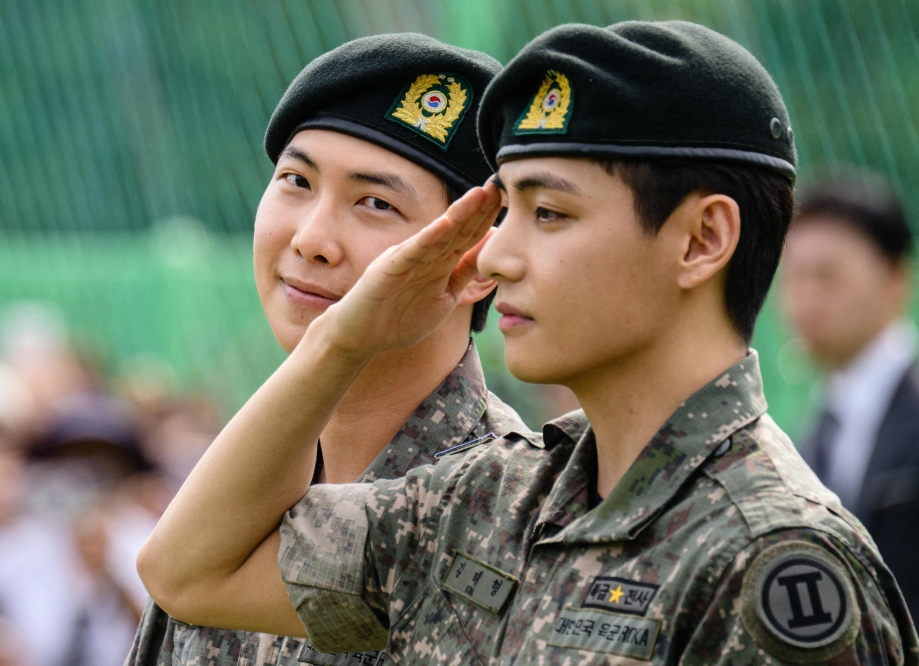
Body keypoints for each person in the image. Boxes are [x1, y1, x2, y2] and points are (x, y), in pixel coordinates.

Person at [138, 21, 918, 664]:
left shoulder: (768, 561)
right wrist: (341, 342)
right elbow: (187, 571)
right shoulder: (498, 499)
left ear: (700, 240)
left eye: (549, 214)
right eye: (504, 212)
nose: (499, 256)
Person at [127, 34, 530, 666]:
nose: (312, 239)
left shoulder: (504, 506)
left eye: (376, 203)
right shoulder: (233, 489)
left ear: (478, 262)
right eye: (295, 180)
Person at [783, 172, 919, 620]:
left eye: (827, 275)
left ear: (894, 279)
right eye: (794, 277)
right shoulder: (813, 434)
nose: (805, 298)